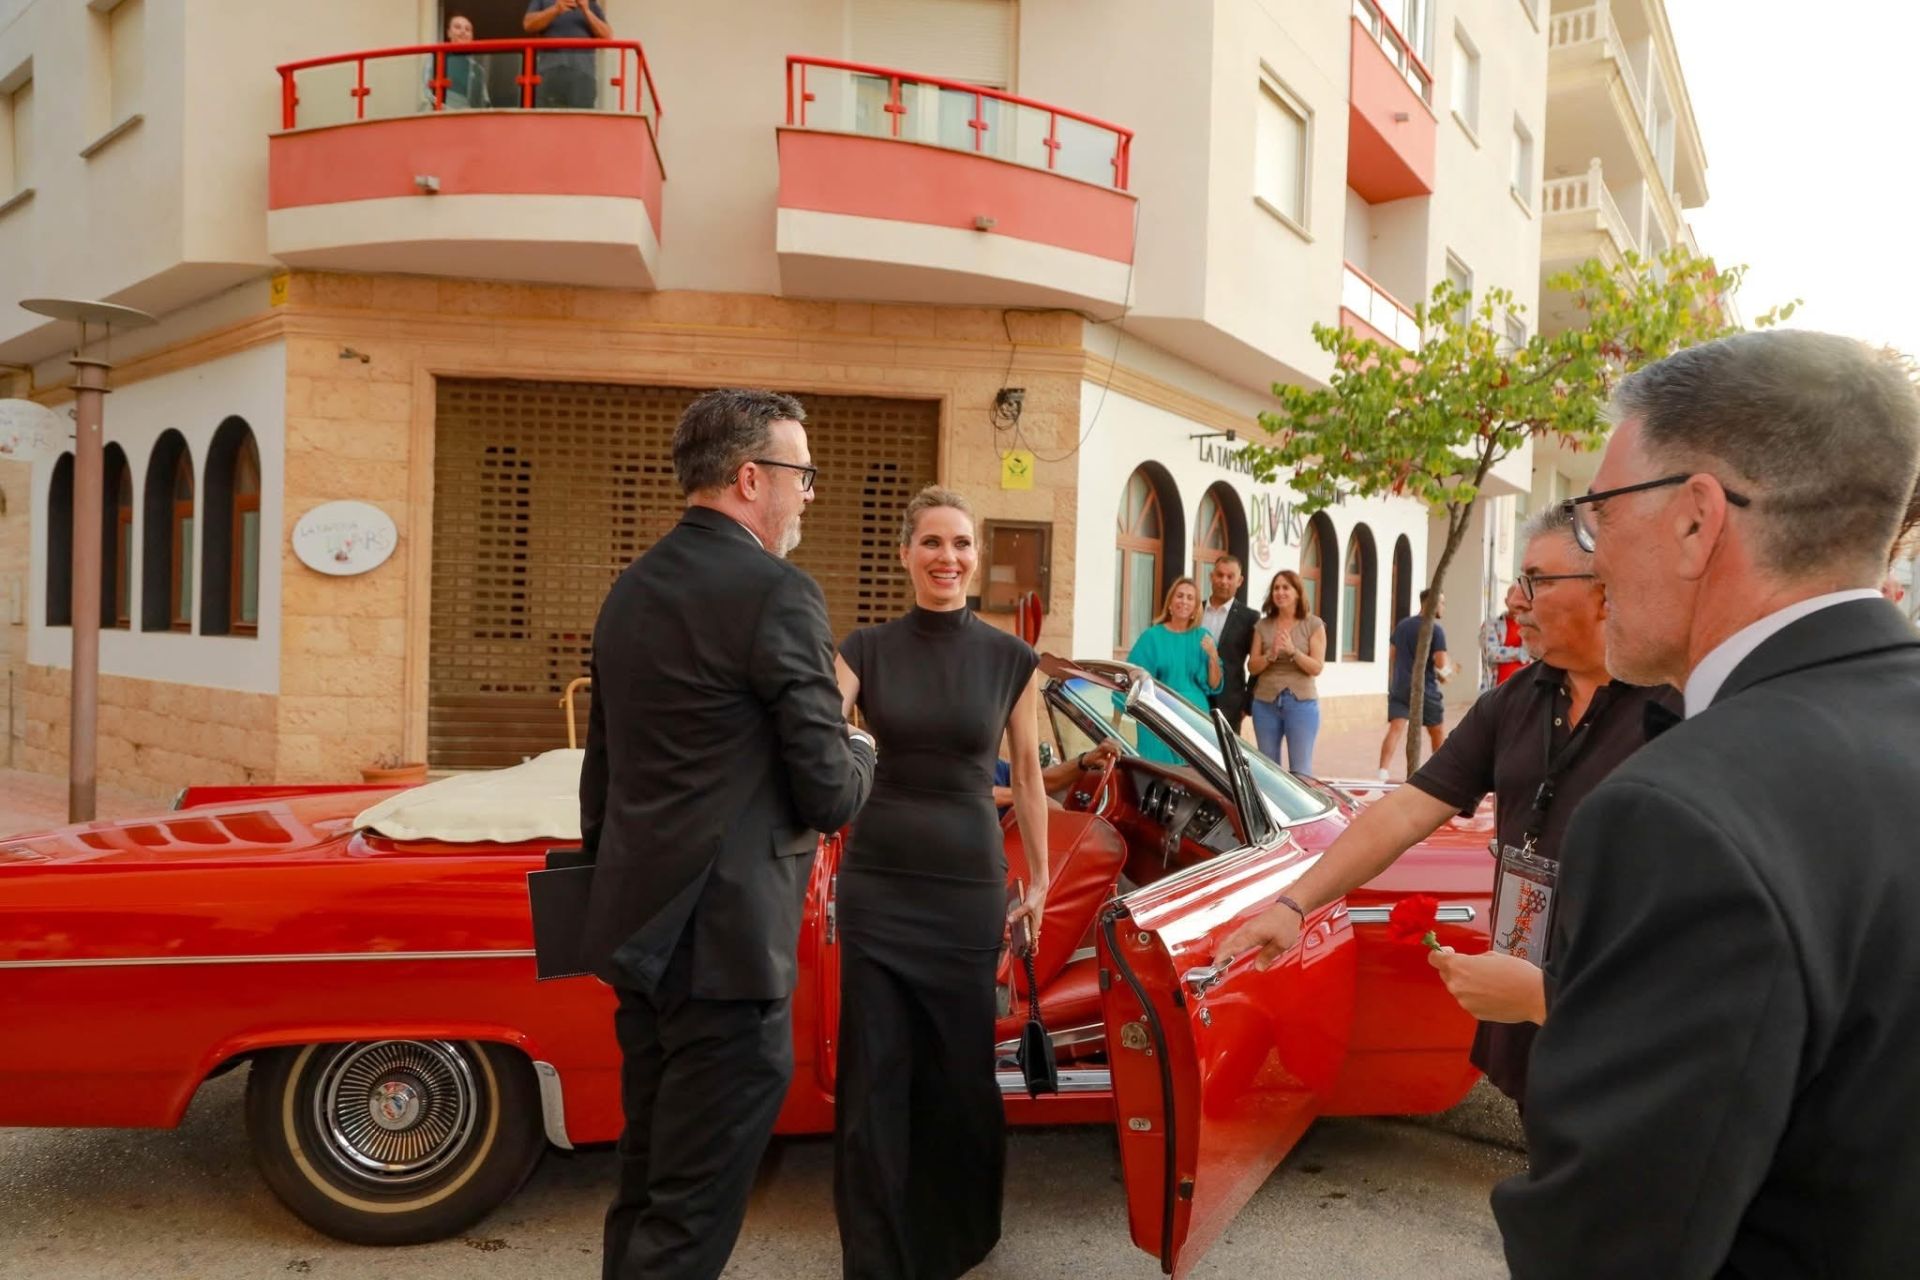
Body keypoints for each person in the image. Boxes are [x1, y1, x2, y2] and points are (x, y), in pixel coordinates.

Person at [1492, 331, 1920, 1278]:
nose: (1594, 564)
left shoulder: (1678, 815)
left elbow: (1604, 1249)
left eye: (1601, 515)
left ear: (1696, 520)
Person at [1221, 504, 1679, 1105]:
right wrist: (1293, 905)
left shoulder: (1679, 706)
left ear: (1603, 590)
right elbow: (1405, 811)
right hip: (1526, 1001)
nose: (1515, 600)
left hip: (1629, 1030)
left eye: (1534, 580)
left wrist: (1554, 998)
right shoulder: (1515, 700)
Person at [579, 388, 876, 1280]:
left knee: (648, 1180)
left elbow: (605, 773)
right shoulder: (778, 592)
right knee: (694, 1211)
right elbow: (828, 791)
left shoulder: (631, 586)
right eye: (802, 474)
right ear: (752, 478)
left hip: (640, 934)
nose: (809, 495)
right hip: (727, 954)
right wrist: (860, 743)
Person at [831, 486, 1048, 1279]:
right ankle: (878, 1254)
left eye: (960, 544)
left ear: (976, 559)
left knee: (958, 1075)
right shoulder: (863, 650)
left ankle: (951, 1242)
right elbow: (820, 732)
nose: (946, 557)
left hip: (965, 890)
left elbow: (1026, 772)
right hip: (877, 886)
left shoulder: (1010, 659)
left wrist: (1042, 881)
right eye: (930, 542)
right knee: (874, 1077)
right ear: (905, 554)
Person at [1245, 568, 1326, 773]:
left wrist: (1293, 652)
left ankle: (1299, 806)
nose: (1280, 592)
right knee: (1268, 770)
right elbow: (1252, 666)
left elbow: (1316, 667)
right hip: (1264, 704)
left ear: (1297, 592)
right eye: (1276, 588)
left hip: (1301, 704)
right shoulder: (1262, 625)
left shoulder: (1313, 624)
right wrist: (1270, 656)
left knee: (1301, 771)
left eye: (1285, 588)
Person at [1378, 590, 1452, 779]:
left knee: (1395, 729)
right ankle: (1441, 772)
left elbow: (1392, 654)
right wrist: (1446, 673)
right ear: (1431, 603)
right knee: (1437, 731)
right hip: (1425, 689)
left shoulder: (1403, 625)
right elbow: (1441, 663)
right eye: (1441, 602)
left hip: (1400, 686)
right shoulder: (1436, 629)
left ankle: (1382, 772)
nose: (1443, 607)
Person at [1199, 555, 1260, 730]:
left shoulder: (1250, 618)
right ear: (1212, 576)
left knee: (1224, 756)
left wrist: (1247, 702)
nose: (1224, 581)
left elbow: (1255, 665)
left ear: (1239, 581)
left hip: (1230, 704)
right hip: (1194, 698)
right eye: (1220, 575)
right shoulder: (1195, 610)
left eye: (1230, 576)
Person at [523, 0, 610, 109]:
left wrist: (586, 10)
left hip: (583, 75)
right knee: (548, 122)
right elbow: (528, 24)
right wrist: (556, 9)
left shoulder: (590, 3)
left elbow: (607, 36)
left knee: (582, 122)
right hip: (550, 73)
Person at [992, 741, 1118, 815]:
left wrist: (1085, 761)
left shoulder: (992, 765)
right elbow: (975, 795)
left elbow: (1041, 781)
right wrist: (1028, 796)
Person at [429, 12, 492, 111]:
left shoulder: (478, 70)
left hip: (470, 121)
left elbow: (484, 103)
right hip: (442, 118)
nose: (463, 31)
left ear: (472, 36)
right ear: (449, 33)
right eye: (458, 27)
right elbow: (426, 94)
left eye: (467, 29)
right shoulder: (436, 59)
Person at [1480, 607, 1527, 688]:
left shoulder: (1535, 626)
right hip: (1497, 689)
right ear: (1507, 601)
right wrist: (1520, 653)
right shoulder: (1492, 624)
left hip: (1526, 689)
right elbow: (1490, 653)